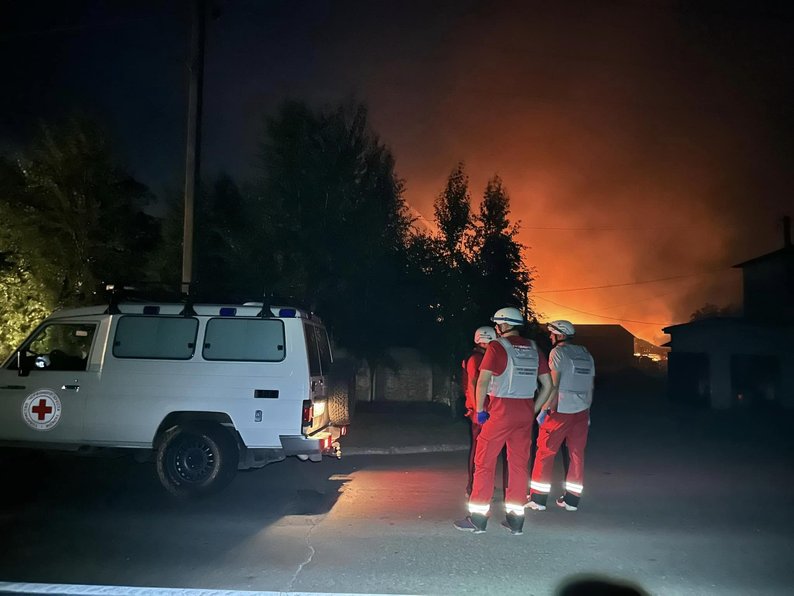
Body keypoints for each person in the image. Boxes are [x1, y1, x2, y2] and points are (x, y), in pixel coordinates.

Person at [454, 307, 553, 535]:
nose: (496, 329)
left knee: (484, 463)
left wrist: (480, 410)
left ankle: (478, 520)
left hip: (499, 411)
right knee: (518, 466)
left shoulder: (497, 347)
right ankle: (516, 522)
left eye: (497, 325)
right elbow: (548, 385)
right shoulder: (533, 348)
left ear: (503, 326)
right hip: (524, 413)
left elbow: (482, 381)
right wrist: (533, 410)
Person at [527, 320, 595, 512]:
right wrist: (588, 411)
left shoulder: (558, 353)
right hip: (582, 411)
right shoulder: (585, 354)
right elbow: (590, 385)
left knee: (545, 453)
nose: (550, 337)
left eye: (552, 333)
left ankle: (538, 499)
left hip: (560, 411)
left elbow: (554, 385)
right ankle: (572, 501)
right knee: (576, 454)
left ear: (559, 335)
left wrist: (544, 409)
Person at [462, 325, 497, 497]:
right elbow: (474, 384)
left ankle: (480, 483)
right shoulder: (476, 359)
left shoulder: (481, 357)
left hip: (484, 408)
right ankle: (472, 485)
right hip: (479, 411)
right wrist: (478, 410)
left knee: (485, 449)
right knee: (478, 449)